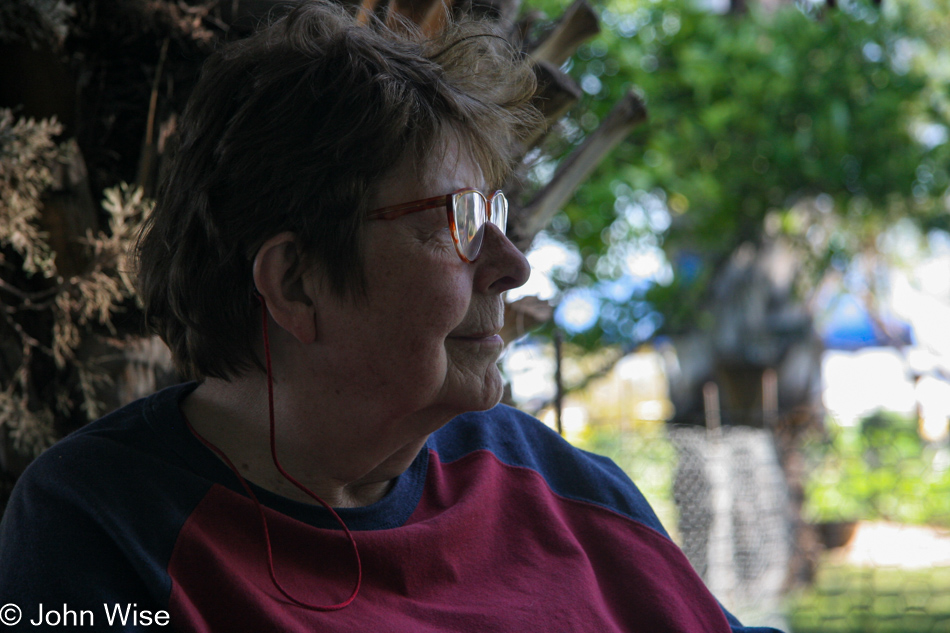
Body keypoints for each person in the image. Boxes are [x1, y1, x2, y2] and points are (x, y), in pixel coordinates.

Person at [0, 2, 783, 631]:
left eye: (499, 215)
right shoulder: (98, 522)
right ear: (298, 283)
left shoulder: (554, 482)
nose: (513, 266)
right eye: (461, 222)